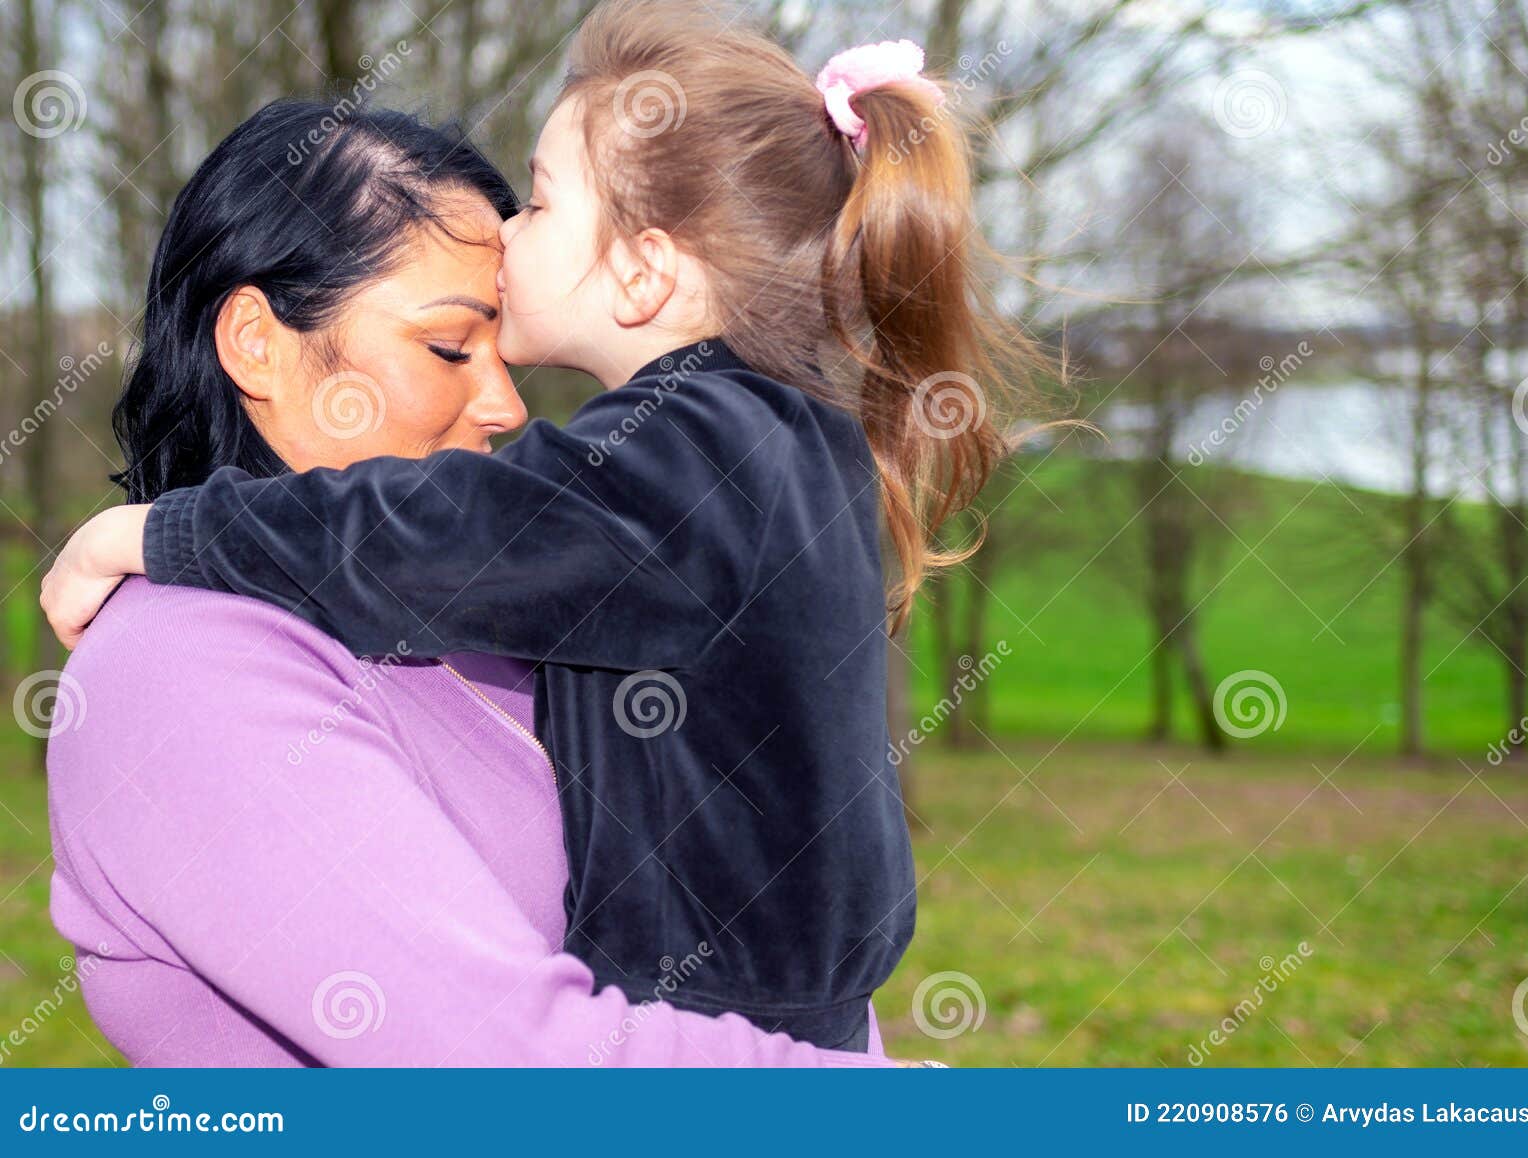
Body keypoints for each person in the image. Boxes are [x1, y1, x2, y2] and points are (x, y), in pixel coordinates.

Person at [44, 0, 1034, 1052]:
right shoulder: (185, 667)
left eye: (540, 210)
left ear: (648, 269)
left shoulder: (618, 524)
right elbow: (510, 1063)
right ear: (256, 342)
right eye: (447, 348)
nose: (510, 409)